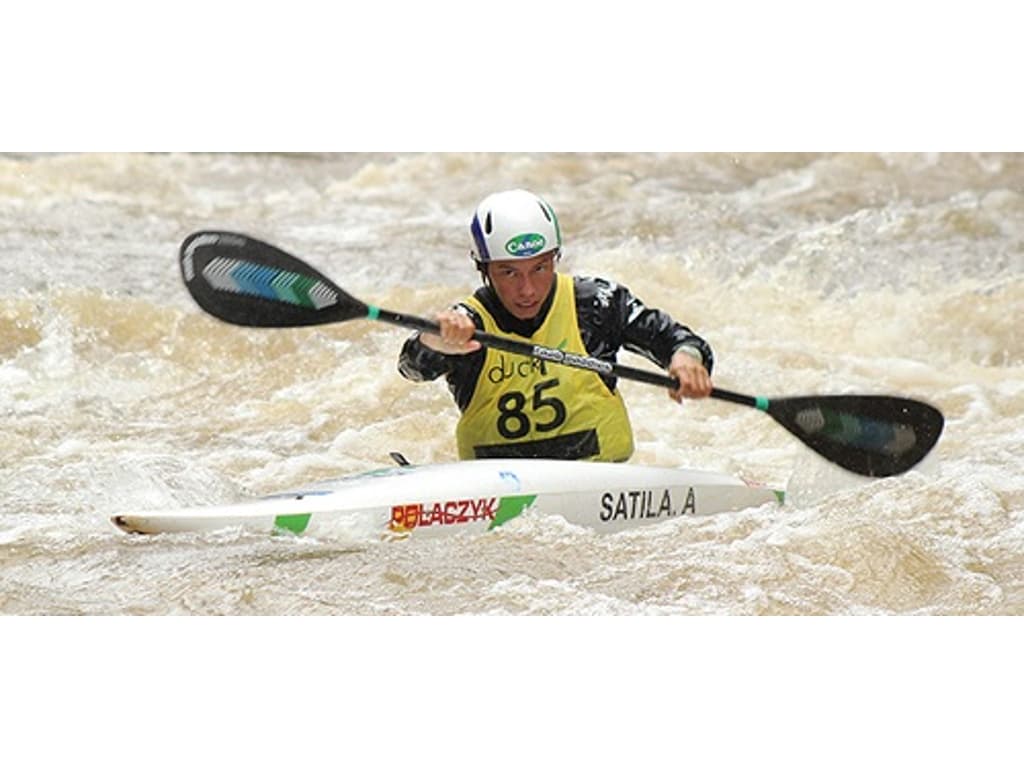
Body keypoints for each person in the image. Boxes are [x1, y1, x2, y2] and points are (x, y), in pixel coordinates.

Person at [398, 189, 713, 462]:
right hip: (496, 484)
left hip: (601, 476)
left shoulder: (596, 303)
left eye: (540, 268)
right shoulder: (466, 324)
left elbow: (676, 340)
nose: (528, 289)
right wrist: (434, 339)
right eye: (509, 273)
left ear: (555, 258)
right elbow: (411, 368)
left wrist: (686, 360)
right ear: (484, 269)